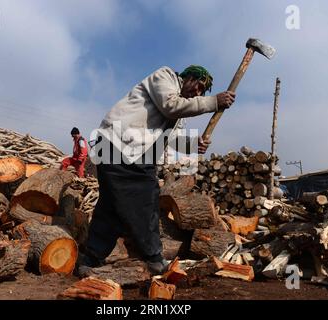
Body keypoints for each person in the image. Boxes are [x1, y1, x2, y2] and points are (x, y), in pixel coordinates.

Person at [78, 65, 236, 275]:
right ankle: (153, 257)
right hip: (119, 144)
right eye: (198, 86)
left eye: (202, 92)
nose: (197, 93)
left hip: (126, 149)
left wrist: (192, 145)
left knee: (112, 207)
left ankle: (89, 259)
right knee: (147, 198)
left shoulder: (178, 112)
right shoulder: (165, 77)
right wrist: (214, 101)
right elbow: (171, 105)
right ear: (188, 77)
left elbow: (169, 139)